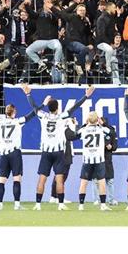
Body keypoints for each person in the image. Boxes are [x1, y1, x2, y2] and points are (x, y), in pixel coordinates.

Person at [26, 83, 93, 211]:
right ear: (57, 108)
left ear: (49, 108)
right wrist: (86, 96)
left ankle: (38, 204)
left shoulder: (43, 116)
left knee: (42, 178)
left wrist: (28, 94)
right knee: (59, 178)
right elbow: (75, 107)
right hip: (58, 152)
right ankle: (61, 204)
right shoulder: (62, 117)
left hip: (46, 152)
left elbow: (34, 107)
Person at [0, 96, 37, 209]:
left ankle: (0, 204)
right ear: (14, 112)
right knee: (17, 178)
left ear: (5, 112)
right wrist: (42, 105)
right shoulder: (18, 121)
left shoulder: (1, 121)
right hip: (14, 153)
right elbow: (32, 114)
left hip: (4, 154)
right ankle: (17, 204)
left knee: (1, 180)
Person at [68, 111, 112, 211]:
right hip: (99, 159)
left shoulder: (83, 130)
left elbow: (75, 134)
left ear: (88, 119)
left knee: (84, 182)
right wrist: (100, 124)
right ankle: (103, 205)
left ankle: (81, 205)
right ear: (97, 119)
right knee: (101, 181)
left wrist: (84, 124)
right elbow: (110, 132)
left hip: (87, 159)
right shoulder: (102, 129)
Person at [92, 116, 117, 206]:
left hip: (107, 158)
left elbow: (115, 146)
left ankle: (111, 200)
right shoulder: (93, 129)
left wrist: (111, 147)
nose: (99, 121)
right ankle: (96, 200)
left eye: (100, 120)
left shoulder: (111, 130)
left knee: (110, 180)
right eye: (97, 119)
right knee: (95, 180)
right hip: (97, 157)